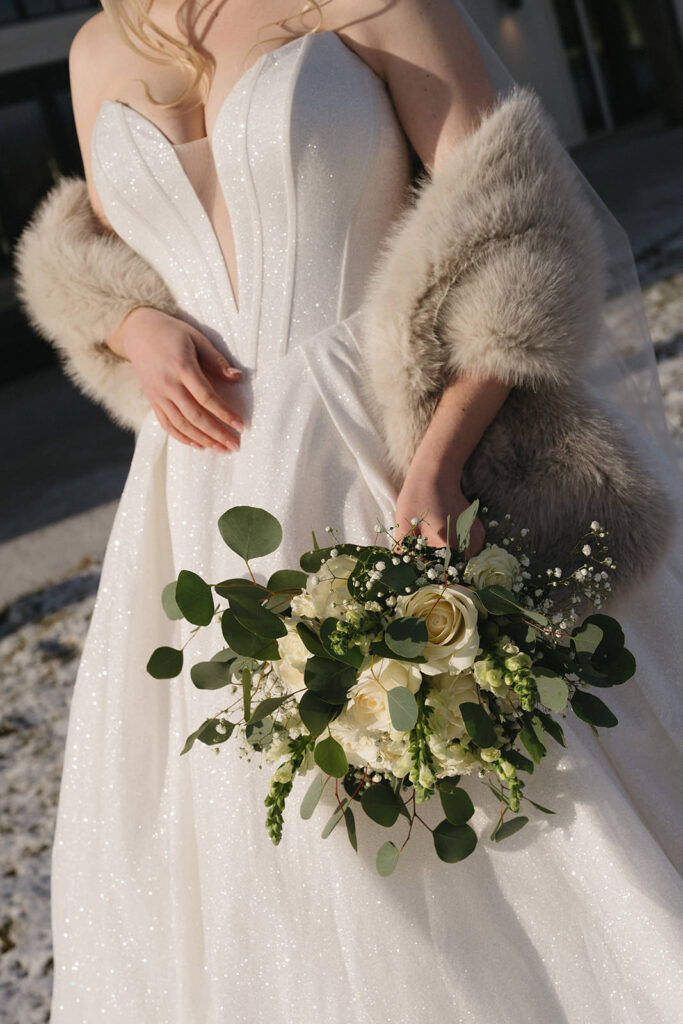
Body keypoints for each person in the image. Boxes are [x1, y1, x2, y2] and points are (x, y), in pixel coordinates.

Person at [13, 1, 683, 1021]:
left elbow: (522, 224)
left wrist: (436, 462)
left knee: (498, 776)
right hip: (196, 501)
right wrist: (129, 321)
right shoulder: (99, 46)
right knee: (251, 842)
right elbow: (104, 255)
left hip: (382, 439)